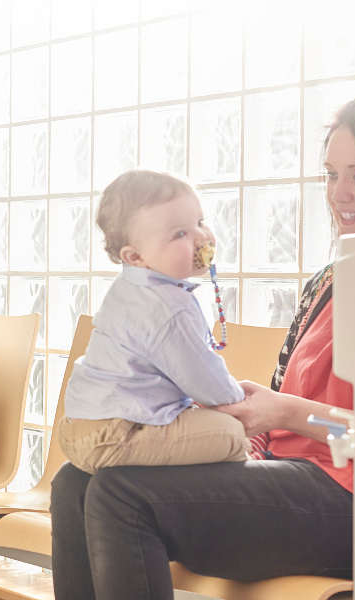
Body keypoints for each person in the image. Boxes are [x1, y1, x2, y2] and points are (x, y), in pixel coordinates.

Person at [48, 98, 355, 600]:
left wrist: (287, 413)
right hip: (295, 480)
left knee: (121, 495)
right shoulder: (328, 283)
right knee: (73, 485)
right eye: (332, 174)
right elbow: (290, 421)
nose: (340, 193)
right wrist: (253, 429)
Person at [56, 170, 249, 474]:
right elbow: (203, 377)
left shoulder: (129, 289)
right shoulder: (168, 306)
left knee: (201, 427)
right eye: (180, 234)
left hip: (79, 427)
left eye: (199, 222)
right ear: (135, 257)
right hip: (117, 433)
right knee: (231, 433)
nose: (202, 238)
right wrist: (237, 399)